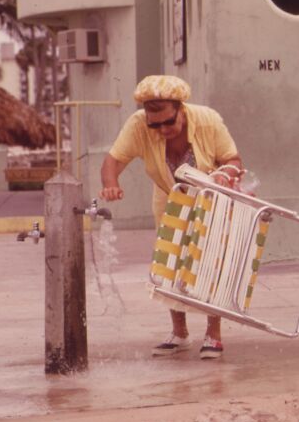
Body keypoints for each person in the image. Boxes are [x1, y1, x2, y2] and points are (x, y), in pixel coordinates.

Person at [99, 75, 243, 360]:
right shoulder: (138, 125)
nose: (162, 129)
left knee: (209, 262)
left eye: (169, 122)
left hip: (211, 194)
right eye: (155, 124)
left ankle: (213, 334)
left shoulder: (207, 120)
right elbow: (112, 160)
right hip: (169, 194)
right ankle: (180, 333)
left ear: (181, 110)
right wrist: (110, 184)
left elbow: (234, 159)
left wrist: (224, 175)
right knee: (170, 261)